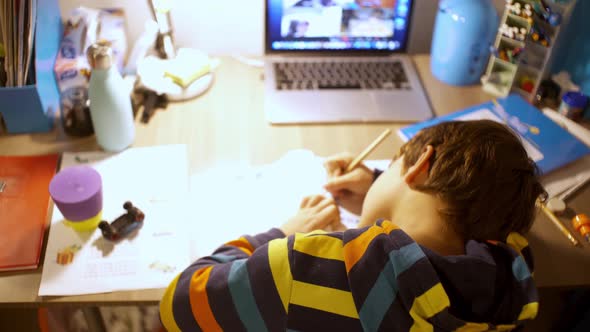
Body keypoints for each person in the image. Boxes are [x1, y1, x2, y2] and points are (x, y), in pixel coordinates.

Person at [159, 120, 547, 331]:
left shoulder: (301, 269)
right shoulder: (511, 277)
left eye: (391, 166)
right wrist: (385, 187)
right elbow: (502, 225)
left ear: (420, 165)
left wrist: (279, 234)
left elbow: (177, 305)